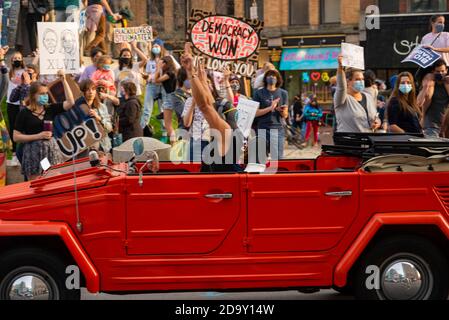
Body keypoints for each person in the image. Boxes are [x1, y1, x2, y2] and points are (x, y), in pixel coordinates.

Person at [13, 70, 75, 180]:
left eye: (46, 93)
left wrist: (63, 80)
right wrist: (38, 136)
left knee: (54, 181)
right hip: (33, 153)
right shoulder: (24, 113)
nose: (45, 96)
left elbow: (70, 102)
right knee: (36, 184)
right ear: (33, 96)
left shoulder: (49, 108)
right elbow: (16, 137)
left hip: (50, 150)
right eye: (41, 94)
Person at [334, 54, 381, 133]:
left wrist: (377, 122)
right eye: (357, 79)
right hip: (349, 142)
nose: (361, 82)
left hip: (367, 141)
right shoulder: (342, 98)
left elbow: (375, 116)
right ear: (348, 81)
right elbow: (341, 87)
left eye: (362, 79)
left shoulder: (368, 96)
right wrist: (340, 67)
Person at [253, 69, 289, 160]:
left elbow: (285, 115)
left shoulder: (283, 93)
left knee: (278, 159)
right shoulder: (258, 93)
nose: (272, 77)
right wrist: (270, 108)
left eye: (274, 76)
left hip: (278, 129)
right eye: (269, 75)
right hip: (262, 128)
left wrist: (281, 110)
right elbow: (255, 113)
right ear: (265, 79)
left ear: (278, 79)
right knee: (260, 159)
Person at [133, 39, 166, 132]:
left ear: (161, 47)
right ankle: (141, 130)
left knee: (163, 110)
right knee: (147, 110)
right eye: (154, 46)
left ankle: (165, 133)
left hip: (162, 86)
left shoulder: (165, 59)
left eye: (157, 46)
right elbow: (147, 74)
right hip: (151, 86)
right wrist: (145, 76)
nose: (155, 48)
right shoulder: (150, 61)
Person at [78, 79, 113, 152]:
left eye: (93, 89)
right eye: (87, 89)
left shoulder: (102, 107)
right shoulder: (77, 108)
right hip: (85, 148)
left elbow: (109, 129)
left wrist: (99, 118)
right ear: (82, 92)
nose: (91, 92)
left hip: (103, 146)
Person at [419, 59, 449, 137]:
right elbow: (419, 103)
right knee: (433, 148)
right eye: (438, 72)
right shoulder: (429, 83)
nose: (441, 74)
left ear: (446, 70)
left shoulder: (447, 83)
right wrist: (426, 87)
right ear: (433, 71)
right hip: (431, 126)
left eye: (443, 71)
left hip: (446, 127)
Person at [6, 51, 26, 165]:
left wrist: (37, 56)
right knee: (13, 126)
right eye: (15, 58)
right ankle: (14, 153)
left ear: (22, 59)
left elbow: (33, 67)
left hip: (21, 104)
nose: (17, 60)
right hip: (11, 103)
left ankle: (22, 152)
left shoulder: (24, 71)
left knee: (23, 127)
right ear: (12, 60)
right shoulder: (9, 71)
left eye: (19, 58)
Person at [155, 56, 177, 143]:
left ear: (166, 63)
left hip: (169, 97)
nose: (160, 65)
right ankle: (173, 144)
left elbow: (156, 80)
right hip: (171, 97)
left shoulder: (169, 73)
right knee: (169, 125)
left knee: (168, 125)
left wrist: (158, 68)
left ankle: (174, 145)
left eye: (162, 63)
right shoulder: (171, 72)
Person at [167, 67, 191, 133]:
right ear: (183, 79)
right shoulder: (176, 95)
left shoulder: (193, 94)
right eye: (190, 78)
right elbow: (185, 117)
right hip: (185, 133)